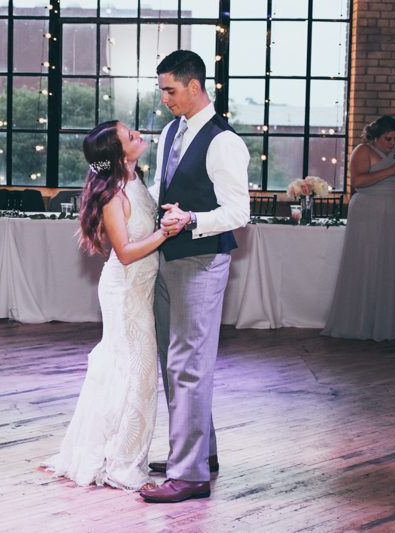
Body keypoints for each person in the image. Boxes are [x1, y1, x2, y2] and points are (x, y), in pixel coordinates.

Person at [140, 50, 250, 503]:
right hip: (167, 259)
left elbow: (238, 212)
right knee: (174, 359)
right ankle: (199, 453)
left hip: (202, 261)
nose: (163, 98)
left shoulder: (224, 142)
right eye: (162, 89)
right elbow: (164, 190)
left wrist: (191, 221)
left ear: (194, 86)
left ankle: (190, 475)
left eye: (169, 89)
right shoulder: (171, 132)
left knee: (188, 364)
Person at [43, 120, 169, 490]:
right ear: (117, 154)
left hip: (139, 290)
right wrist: (166, 232)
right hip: (125, 291)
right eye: (130, 136)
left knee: (138, 372)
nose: (138, 135)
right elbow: (126, 253)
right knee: (136, 371)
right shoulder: (114, 194)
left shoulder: (135, 181)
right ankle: (120, 460)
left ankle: (125, 452)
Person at [322, 116, 395, 340]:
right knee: (366, 261)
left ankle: (388, 322)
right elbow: (358, 182)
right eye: (388, 139)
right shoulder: (362, 150)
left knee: (390, 264)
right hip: (367, 211)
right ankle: (360, 321)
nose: (392, 143)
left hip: (394, 212)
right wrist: (391, 170)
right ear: (376, 136)